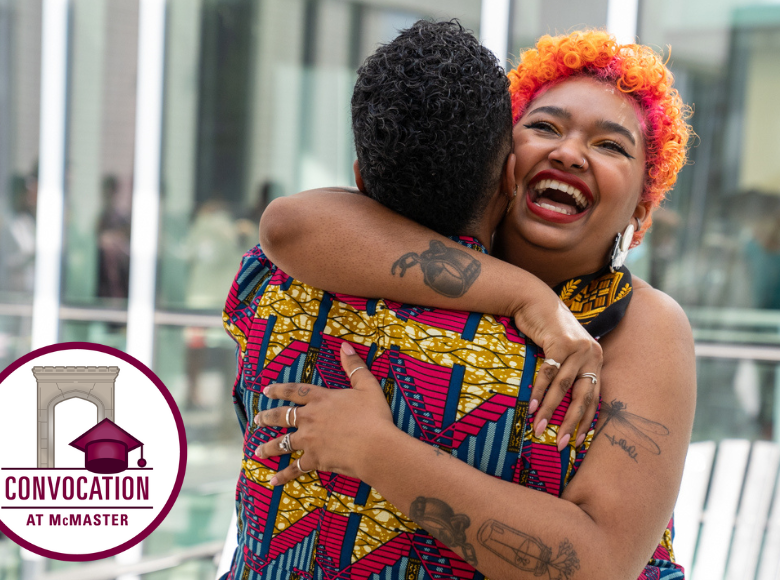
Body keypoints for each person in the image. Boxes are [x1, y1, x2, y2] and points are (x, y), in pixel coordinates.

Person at [227, 23, 695, 580]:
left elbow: (599, 564)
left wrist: (378, 450)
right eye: (545, 126)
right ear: (505, 161)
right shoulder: (405, 255)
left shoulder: (645, 324)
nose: (570, 152)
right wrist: (527, 296)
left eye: (610, 144)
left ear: (641, 213)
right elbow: (290, 223)